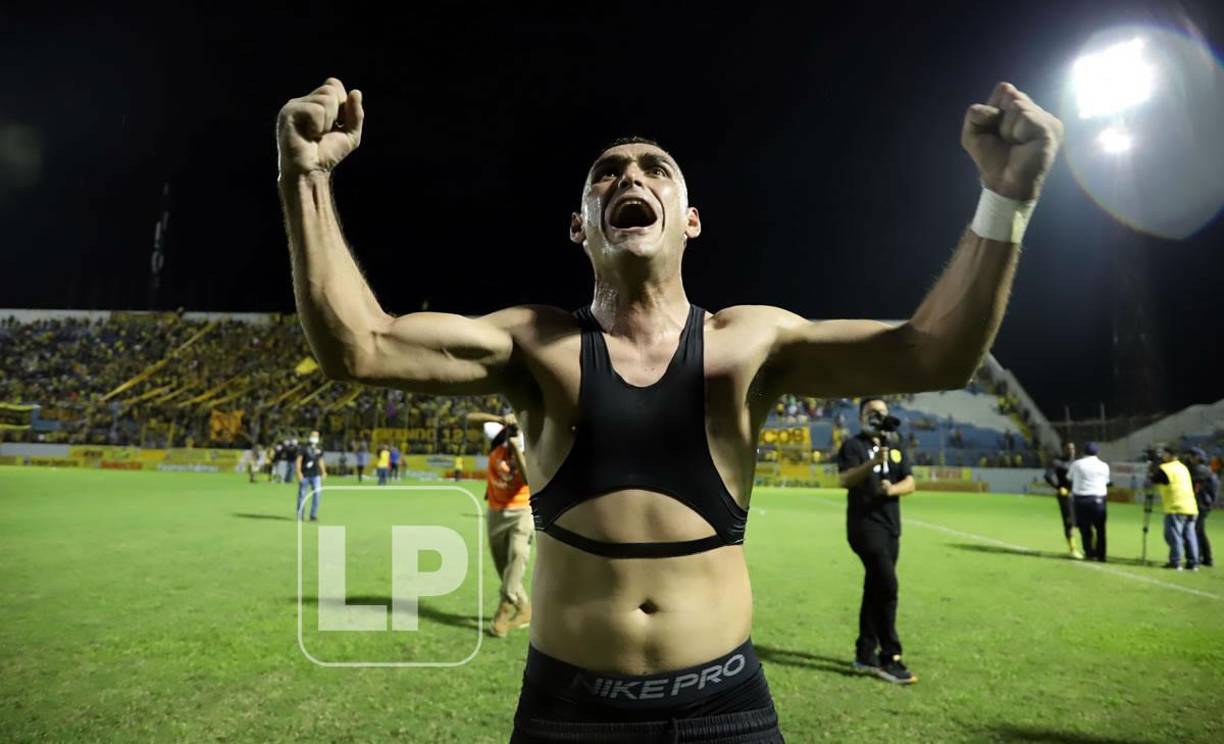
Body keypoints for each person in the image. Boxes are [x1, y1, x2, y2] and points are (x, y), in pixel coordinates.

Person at [278, 76, 1061, 742]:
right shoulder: (535, 346)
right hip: (567, 714)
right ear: (580, 226)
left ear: (688, 220)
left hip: (727, 712)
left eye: (656, 169)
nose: (631, 177)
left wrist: (1006, 195)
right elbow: (362, 346)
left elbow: (932, 354)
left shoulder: (750, 343)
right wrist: (304, 177)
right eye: (608, 173)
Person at [837, 398, 917, 684]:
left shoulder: (895, 445)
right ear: (861, 416)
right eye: (872, 412)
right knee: (888, 586)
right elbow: (843, 479)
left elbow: (911, 482)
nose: (877, 416)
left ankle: (864, 652)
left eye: (882, 412)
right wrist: (872, 463)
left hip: (891, 527)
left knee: (875, 588)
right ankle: (890, 657)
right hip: (864, 527)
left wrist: (891, 489)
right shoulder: (853, 445)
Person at [468, 410, 534, 637]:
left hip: (523, 510)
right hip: (496, 511)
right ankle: (525, 608)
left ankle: (503, 611)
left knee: (518, 554)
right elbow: (470, 419)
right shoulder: (499, 434)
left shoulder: (534, 441)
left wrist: (517, 448)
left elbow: (529, 480)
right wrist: (500, 420)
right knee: (504, 568)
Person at [1149, 445, 1199, 570]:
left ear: (1169, 455)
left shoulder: (1166, 468)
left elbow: (1154, 479)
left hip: (1176, 507)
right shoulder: (1183, 467)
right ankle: (1193, 563)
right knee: (1190, 536)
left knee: (1173, 536)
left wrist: (1153, 464)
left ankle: (1175, 562)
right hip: (1191, 507)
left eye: (1164, 454)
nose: (1162, 456)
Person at [1069, 442, 1110, 562]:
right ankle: (1101, 555)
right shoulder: (1104, 465)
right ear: (1097, 452)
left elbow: (1069, 477)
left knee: (1085, 528)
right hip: (1099, 499)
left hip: (1081, 499)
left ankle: (1089, 552)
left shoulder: (1077, 464)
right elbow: (1106, 481)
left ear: (1084, 452)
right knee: (1101, 529)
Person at [1043, 442, 1083, 559]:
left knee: (1084, 522)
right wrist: (1058, 487)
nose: (1071, 450)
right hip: (1066, 496)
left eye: (1073, 448)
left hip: (1080, 495)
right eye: (1068, 448)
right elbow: (1047, 476)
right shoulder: (1057, 462)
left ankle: (1089, 548)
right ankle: (1073, 549)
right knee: (1069, 522)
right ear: (1063, 449)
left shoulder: (1078, 463)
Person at [1187, 447, 1217, 567]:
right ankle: (1207, 559)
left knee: (1195, 530)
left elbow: (1190, 481)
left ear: (1198, 458)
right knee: (1200, 531)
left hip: (1201, 504)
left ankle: (1198, 557)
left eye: (1192, 456)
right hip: (1204, 504)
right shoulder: (1205, 469)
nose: (1190, 458)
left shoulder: (1200, 469)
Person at [295, 430, 327, 521]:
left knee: (317, 494)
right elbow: (299, 460)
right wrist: (299, 472)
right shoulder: (303, 447)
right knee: (302, 495)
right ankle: (300, 515)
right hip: (305, 474)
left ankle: (313, 515)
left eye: (317, 436)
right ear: (309, 436)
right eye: (313, 436)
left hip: (316, 475)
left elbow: (321, 460)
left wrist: (323, 471)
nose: (315, 438)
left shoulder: (319, 448)